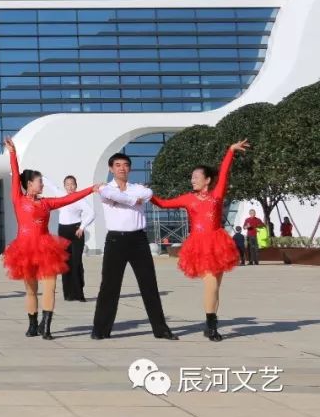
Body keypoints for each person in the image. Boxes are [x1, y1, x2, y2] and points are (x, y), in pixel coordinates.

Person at [152, 139, 249, 342]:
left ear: (207, 180)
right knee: (211, 284)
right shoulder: (188, 198)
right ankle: (211, 326)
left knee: (216, 287)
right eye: (192, 177)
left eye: (196, 177)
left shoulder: (217, 195)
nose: (192, 180)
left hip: (218, 244)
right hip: (199, 245)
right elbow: (162, 203)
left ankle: (210, 325)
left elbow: (224, 173)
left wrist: (230, 150)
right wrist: (146, 195)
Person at [2, 139, 97, 339]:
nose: (42, 184)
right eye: (39, 181)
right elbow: (14, 175)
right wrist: (13, 153)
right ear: (29, 184)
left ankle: (46, 326)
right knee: (31, 290)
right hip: (25, 249)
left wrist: (91, 189)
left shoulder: (47, 203)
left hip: (46, 248)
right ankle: (32, 323)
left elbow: (68, 198)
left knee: (50, 287)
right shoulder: (18, 198)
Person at [90, 151, 177, 341]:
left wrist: (124, 197)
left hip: (139, 240)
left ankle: (161, 329)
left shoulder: (137, 188)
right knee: (109, 286)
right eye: (118, 165)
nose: (122, 168)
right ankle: (100, 329)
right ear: (111, 168)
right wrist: (131, 200)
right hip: (115, 240)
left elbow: (148, 193)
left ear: (130, 168)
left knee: (149, 285)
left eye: (125, 165)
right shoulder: (106, 188)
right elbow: (109, 193)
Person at [56, 175, 94, 302]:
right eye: (67, 184)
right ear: (64, 186)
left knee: (76, 262)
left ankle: (79, 293)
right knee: (65, 263)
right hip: (63, 231)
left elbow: (92, 213)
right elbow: (50, 185)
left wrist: (82, 227)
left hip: (76, 232)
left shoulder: (80, 199)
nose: (70, 186)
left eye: (72, 184)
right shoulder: (61, 196)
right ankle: (68, 294)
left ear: (76, 185)